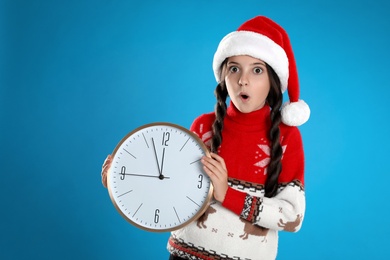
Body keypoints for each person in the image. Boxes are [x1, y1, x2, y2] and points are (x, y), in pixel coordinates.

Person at [101, 15, 310, 260]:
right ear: (223, 76)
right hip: (183, 254)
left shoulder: (287, 137)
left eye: (257, 70)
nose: (243, 80)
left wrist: (225, 193)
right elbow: (169, 183)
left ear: (273, 80)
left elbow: (292, 218)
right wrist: (122, 181)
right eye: (234, 68)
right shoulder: (203, 126)